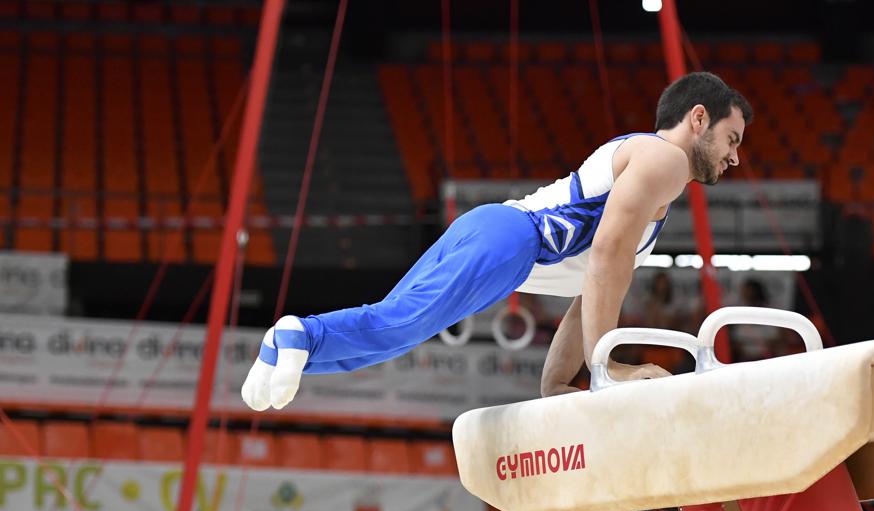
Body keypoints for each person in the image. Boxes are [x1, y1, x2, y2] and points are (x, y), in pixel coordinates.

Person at [241, 72, 752, 410]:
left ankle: (288, 348)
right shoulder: (664, 159)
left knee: (394, 326)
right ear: (698, 118)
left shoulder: (652, 188)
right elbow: (605, 259)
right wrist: (608, 365)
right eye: (732, 140)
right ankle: (299, 334)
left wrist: (556, 384)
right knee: (401, 325)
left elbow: (591, 296)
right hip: (511, 241)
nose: (734, 158)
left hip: (494, 232)